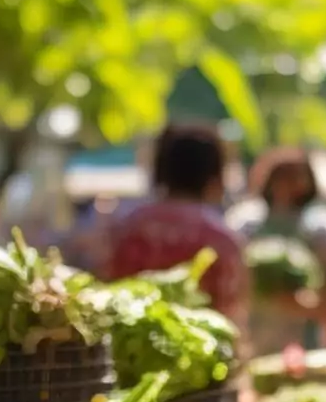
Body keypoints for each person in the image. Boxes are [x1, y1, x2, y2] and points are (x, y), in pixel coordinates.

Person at [103, 124, 247, 323]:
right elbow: (230, 314)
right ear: (215, 175)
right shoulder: (221, 239)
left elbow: (107, 294)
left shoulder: (126, 229)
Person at [226, 148, 326, 353]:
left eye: (297, 177)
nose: (289, 184)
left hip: (302, 338)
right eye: (282, 177)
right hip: (252, 335)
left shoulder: (319, 226)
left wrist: (291, 299)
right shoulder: (246, 222)